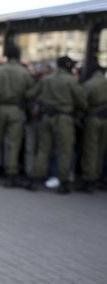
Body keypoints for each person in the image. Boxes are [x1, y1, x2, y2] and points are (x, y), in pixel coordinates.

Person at [25, 55, 87, 194]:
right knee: (64, 151)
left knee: (43, 149)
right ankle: (62, 182)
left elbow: (31, 93)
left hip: (47, 116)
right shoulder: (71, 81)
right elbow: (82, 101)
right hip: (64, 118)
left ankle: (34, 179)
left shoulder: (46, 79)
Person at [0, 44, 33, 187]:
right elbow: (29, 92)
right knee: (13, 143)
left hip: (0, 108)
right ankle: (11, 173)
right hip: (16, 110)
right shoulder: (24, 73)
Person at [79, 62, 107, 193]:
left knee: (91, 149)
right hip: (105, 118)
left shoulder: (90, 84)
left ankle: (89, 178)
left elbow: (82, 102)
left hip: (93, 118)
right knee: (101, 150)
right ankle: (97, 176)